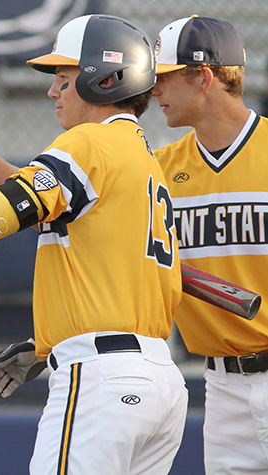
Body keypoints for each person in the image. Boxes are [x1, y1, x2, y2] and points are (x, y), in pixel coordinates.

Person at [0, 14, 188, 475]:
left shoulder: (87, 144)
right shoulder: (141, 156)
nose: (52, 92)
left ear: (106, 77)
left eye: (64, 78)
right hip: (158, 380)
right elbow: (60, 210)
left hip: (100, 379)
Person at [152, 16, 268, 473]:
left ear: (203, 77)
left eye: (162, 78)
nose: (153, 90)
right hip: (220, 387)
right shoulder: (156, 168)